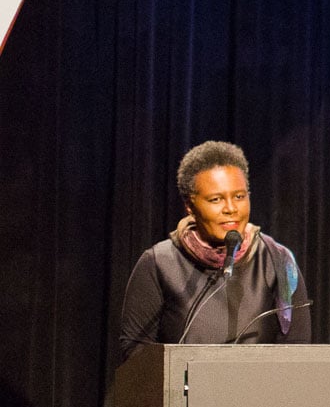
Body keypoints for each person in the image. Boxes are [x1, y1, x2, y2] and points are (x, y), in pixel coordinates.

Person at [116, 140, 310, 359]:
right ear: (190, 206)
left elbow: (296, 351)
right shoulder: (158, 263)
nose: (230, 208)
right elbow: (135, 353)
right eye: (216, 199)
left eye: (239, 196)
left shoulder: (279, 260)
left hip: (258, 391)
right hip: (184, 392)